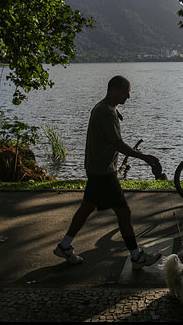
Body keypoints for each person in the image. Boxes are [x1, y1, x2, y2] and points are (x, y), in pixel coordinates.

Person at [54, 75, 162, 269]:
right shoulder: (105, 112)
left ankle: (65, 245)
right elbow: (117, 144)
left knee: (86, 208)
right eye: (126, 91)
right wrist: (144, 157)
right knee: (123, 212)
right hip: (104, 172)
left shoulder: (106, 108)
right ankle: (137, 257)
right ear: (114, 90)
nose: (128, 96)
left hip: (97, 169)